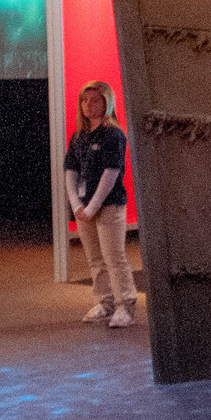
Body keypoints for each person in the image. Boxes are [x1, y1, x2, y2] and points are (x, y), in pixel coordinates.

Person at [64, 79, 138, 328]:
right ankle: (104, 302)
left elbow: (111, 173)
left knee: (113, 256)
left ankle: (125, 305)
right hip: (84, 208)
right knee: (95, 259)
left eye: (94, 99)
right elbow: (70, 171)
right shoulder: (79, 136)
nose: (88, 104)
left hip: (109, 207)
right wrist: (76, 204)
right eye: (84, 100)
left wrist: (93, 206)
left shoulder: (113, 135)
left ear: (107, 103)